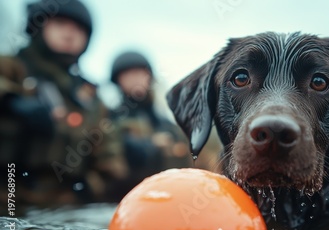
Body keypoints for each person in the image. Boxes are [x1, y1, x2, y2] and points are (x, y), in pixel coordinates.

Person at [0, 0, 127, 211]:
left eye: (78, 29)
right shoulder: (11, 68)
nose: (70, 34)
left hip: (62, 209)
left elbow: (111, 161)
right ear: (39, 25)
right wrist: (10, 101)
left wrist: (86, 187)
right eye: (60, 24)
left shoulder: (92, 100)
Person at [105, 51, 192, 201]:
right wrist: (150, 145)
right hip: (124, 198)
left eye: (140, 73)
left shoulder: (164, 123)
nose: (136, 79)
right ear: (118, 80)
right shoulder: (109, 118)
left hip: (167, 197)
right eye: (129, 74)